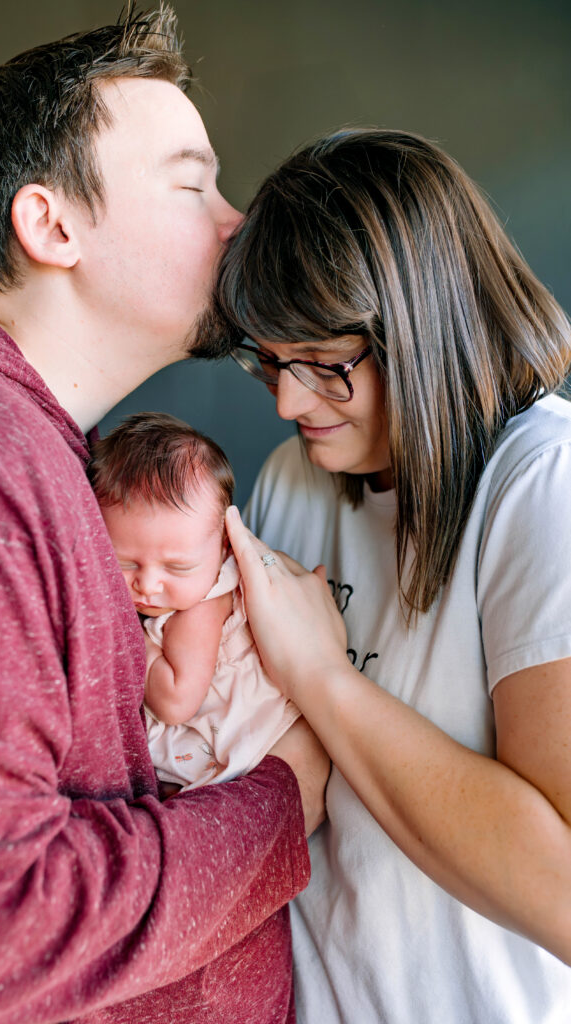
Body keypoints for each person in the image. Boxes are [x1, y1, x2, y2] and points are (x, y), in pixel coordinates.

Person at [0, 8, 330, 1023]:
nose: (234, 220)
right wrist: (284, 798)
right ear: (51, 226)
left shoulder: (28, 448)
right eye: (191, 184)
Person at [214, 128, 571, 1022]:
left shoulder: (541, 487)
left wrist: (324, 679)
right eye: (269, 364)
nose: (291, 404)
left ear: (425, 321)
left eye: (327, 367)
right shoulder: (297, 476)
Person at [89, 412, 300, 790]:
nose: (149, 584)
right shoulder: (188, 581)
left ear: (223, 547)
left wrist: (126, 630)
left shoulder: (202, 606)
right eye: (125, 562)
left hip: (242, 752)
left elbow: (174, 700)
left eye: (177, 567)